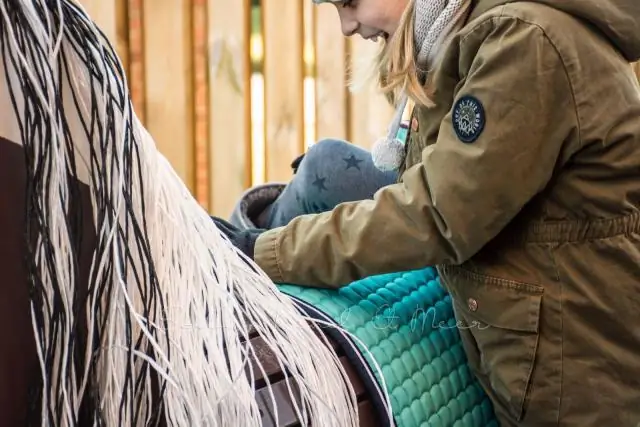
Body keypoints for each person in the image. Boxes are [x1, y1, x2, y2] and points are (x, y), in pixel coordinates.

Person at [213, 0, 640, 425]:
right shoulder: (472, 38)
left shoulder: (525, 43)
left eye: (349, 3)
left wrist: (262, 253)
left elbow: (436, 213)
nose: (346, 26)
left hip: (579, 383)